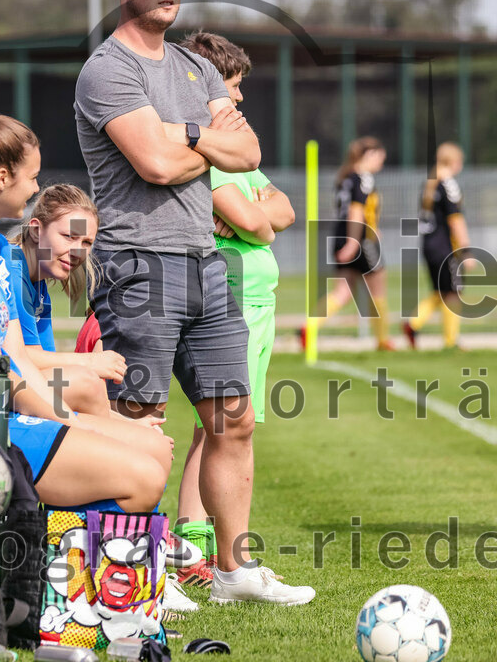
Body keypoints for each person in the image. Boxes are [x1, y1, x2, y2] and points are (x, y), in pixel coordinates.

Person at [74, 0, 314, 605]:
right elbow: (152, 165)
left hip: (206, 263)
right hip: (138, 262)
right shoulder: (108, 70)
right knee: (139, 420)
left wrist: (181, 137)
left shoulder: (196, 67)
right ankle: (135, 578)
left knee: (232, 418)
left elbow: (247, 148)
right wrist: (200, 142)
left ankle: (233, 573)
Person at [0, 105, 172, 515]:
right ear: (1, 178)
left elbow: (18, 356)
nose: (34, 188)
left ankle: (95, 559)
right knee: (144, 477)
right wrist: (77, 425)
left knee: (151, 453)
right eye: (32, 177)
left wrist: (85, 424)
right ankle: (62, 563)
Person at [172, 31, 295, 587]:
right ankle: (193, 545)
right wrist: (257, 215)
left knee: (227, 429)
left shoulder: (239, 150)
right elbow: (254, 223)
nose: (240, 100)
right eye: (234, 87)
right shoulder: (212, 155)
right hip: (230, 302)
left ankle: (202, 548)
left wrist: (259, 213)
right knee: (216, 427)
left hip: (257, 304)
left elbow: (282, 212)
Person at [10, 184, 131, 418]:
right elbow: (19, 357)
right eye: (68, 236)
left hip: (7, 388)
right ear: (36, 230)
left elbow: (46, 366)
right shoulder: (12, 271)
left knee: (145, 434)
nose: (78, 251)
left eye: (86, 242)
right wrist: (90, 362)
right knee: (85, 381)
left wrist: (129, 423)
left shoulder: (38, 286)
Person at [303, 137, 393, 351]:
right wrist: (354, 242)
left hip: (341, 237)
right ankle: (382, 340)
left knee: (342, 292)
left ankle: (309, 327)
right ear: (369, 155)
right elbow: (355, 210)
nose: (381, 162)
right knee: (378, 289)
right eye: (380, 157)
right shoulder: (363, 178)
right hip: (360, 240)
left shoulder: (346, 178)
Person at [403, 142, 475, 350]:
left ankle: (413, 323)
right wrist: (466, 250)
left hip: (429, 246)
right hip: (446, 248)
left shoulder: (429, 184)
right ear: (454, 162)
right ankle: (451, 341)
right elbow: (455, 220)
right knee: (453, 293)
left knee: (441, 291)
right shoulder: (448, 184)